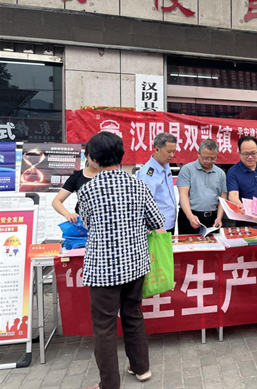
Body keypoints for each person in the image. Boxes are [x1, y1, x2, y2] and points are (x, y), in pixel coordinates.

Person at [77, 132, 165, 389]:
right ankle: (141, 368)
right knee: (133, 314)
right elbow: (157, 221)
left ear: (93, 159)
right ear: (121, 155)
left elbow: (87, 224)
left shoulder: (87, 189)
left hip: (103, 268)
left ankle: (109, 384)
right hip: (135, 264)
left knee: (104, 326)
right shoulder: (138, 185)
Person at [177, 139, 227, 233]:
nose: (209, 161)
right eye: (205, 158)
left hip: (212, 218)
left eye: (213, 158)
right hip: (190, 215)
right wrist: (190, 216)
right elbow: (183, 195)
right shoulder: (187, 170)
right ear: (199, 154)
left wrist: (219, 218)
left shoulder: (220, 173)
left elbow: (222, 198)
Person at [137, 133, 177, 234]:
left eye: (174, 151)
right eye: (169, 151)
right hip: (158, 228)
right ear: (157, 149)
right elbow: (143, 204)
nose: (171, 155)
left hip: (170, 222)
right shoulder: (147, 174)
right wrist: (154, 228)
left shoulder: (166, 165)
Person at [52, 148, 100, 223]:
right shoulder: (77, 176)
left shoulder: (109, 175)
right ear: (86, 156)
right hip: (83, 223)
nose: (96, 161)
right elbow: (56, 201)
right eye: (93, 157)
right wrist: (68, 215)